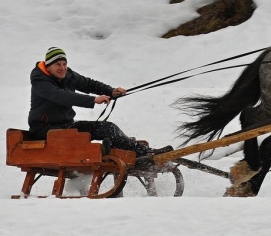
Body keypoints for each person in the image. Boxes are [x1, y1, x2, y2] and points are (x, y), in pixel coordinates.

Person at [28, 47, 171, 160]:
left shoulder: (68, 75)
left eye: (64, 64)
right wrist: (92, 100)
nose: (62, 68)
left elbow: (89, 84)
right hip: (44, 130)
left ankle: (144, 153)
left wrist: (111, 91)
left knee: (108, 128)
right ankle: (107, 152)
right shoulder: (40, 81)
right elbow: (62, 96)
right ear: (48, 66)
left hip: (66, 126)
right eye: (58, 64)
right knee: (78, 138)